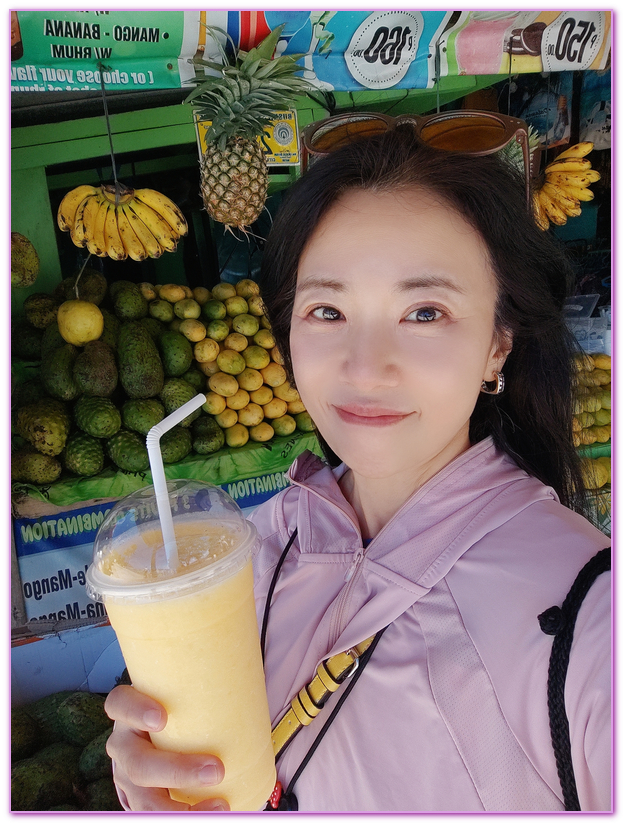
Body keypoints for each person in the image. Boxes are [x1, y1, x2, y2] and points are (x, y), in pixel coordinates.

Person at [104, 122, 611, 812]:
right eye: (327, 309)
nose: (365, 367)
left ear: (498, 344)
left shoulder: (590, 617)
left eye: (424, 311)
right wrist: (154, 787)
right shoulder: (251, 549)